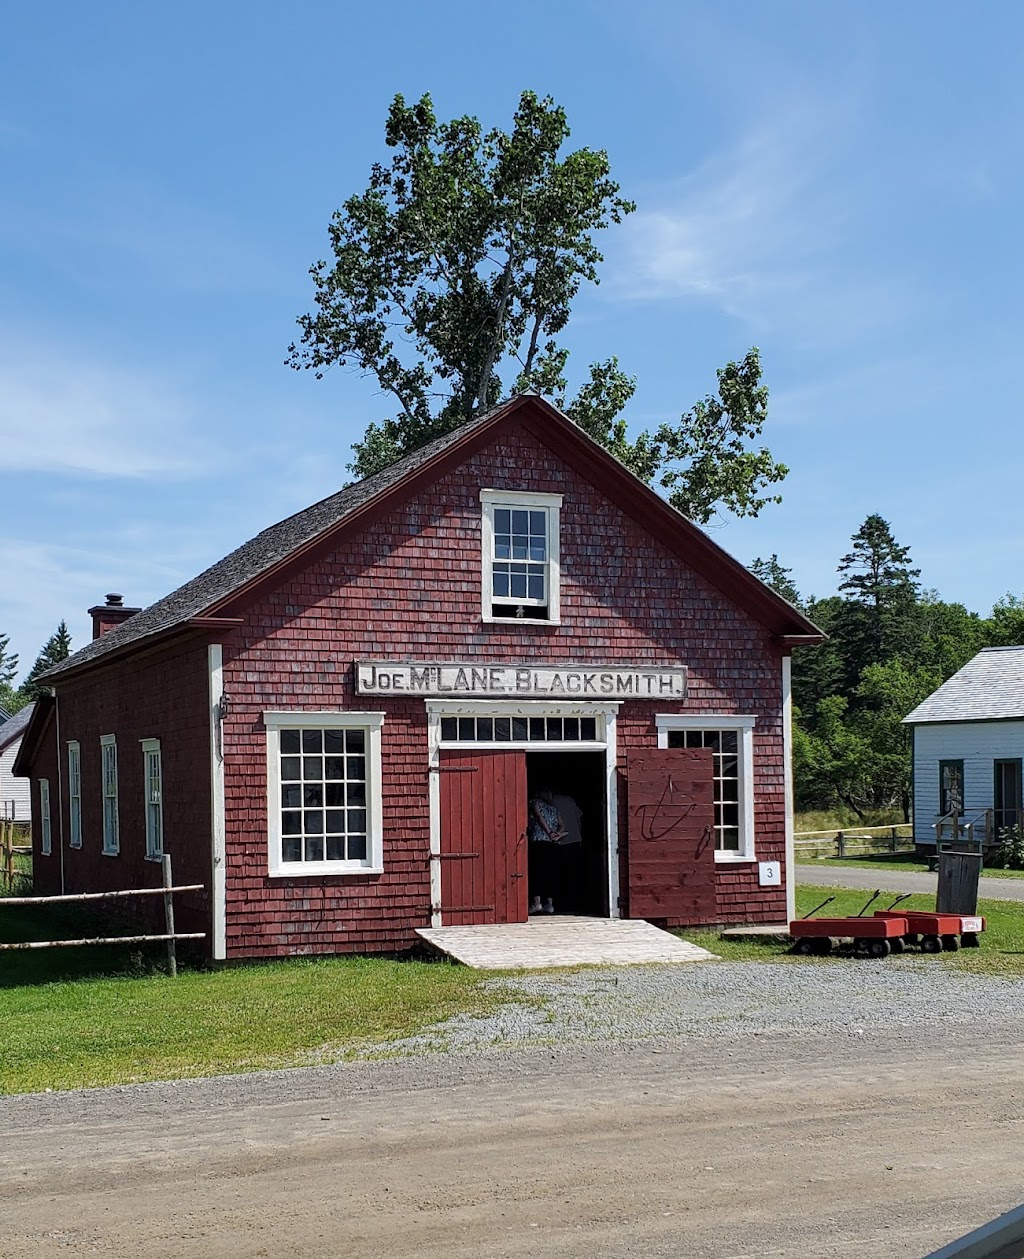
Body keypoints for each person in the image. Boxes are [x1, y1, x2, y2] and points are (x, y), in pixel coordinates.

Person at [527, 789, 564, 914]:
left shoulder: (535, 802)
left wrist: (549, 832)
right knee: (550, 873)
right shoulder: (554, 809)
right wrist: (557, 834)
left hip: (539, 840)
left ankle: (537, 903)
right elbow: (562, 825)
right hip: (553, 843)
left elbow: (538, 816)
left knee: (538, 871)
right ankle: (549, 904)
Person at [551, 792, 583, 913]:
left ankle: (559, 902)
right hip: (575, 839)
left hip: (559, 841)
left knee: (558, 874)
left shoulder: (551, 801)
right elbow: (579, 818)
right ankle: (574, 901)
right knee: (574, 873)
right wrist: (580, 835)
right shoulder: (570, 799)